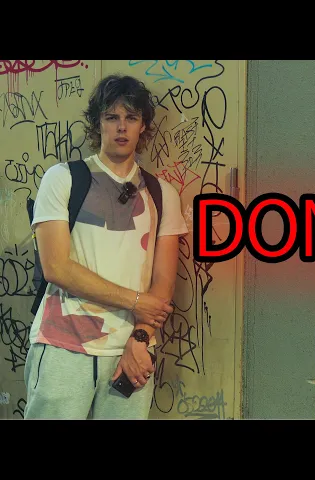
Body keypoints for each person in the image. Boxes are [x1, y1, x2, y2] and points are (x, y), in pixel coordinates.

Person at [23, 74, 188, 419]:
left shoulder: (162, 194)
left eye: (131, 117)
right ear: (98, 123)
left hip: (132, 351)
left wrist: (140, 338)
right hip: (63, 346)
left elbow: (163, 283)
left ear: (143, 125)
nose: (121, 127)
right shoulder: (63, 178)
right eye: (112, 117)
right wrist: (136, 302)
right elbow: (56, 267)